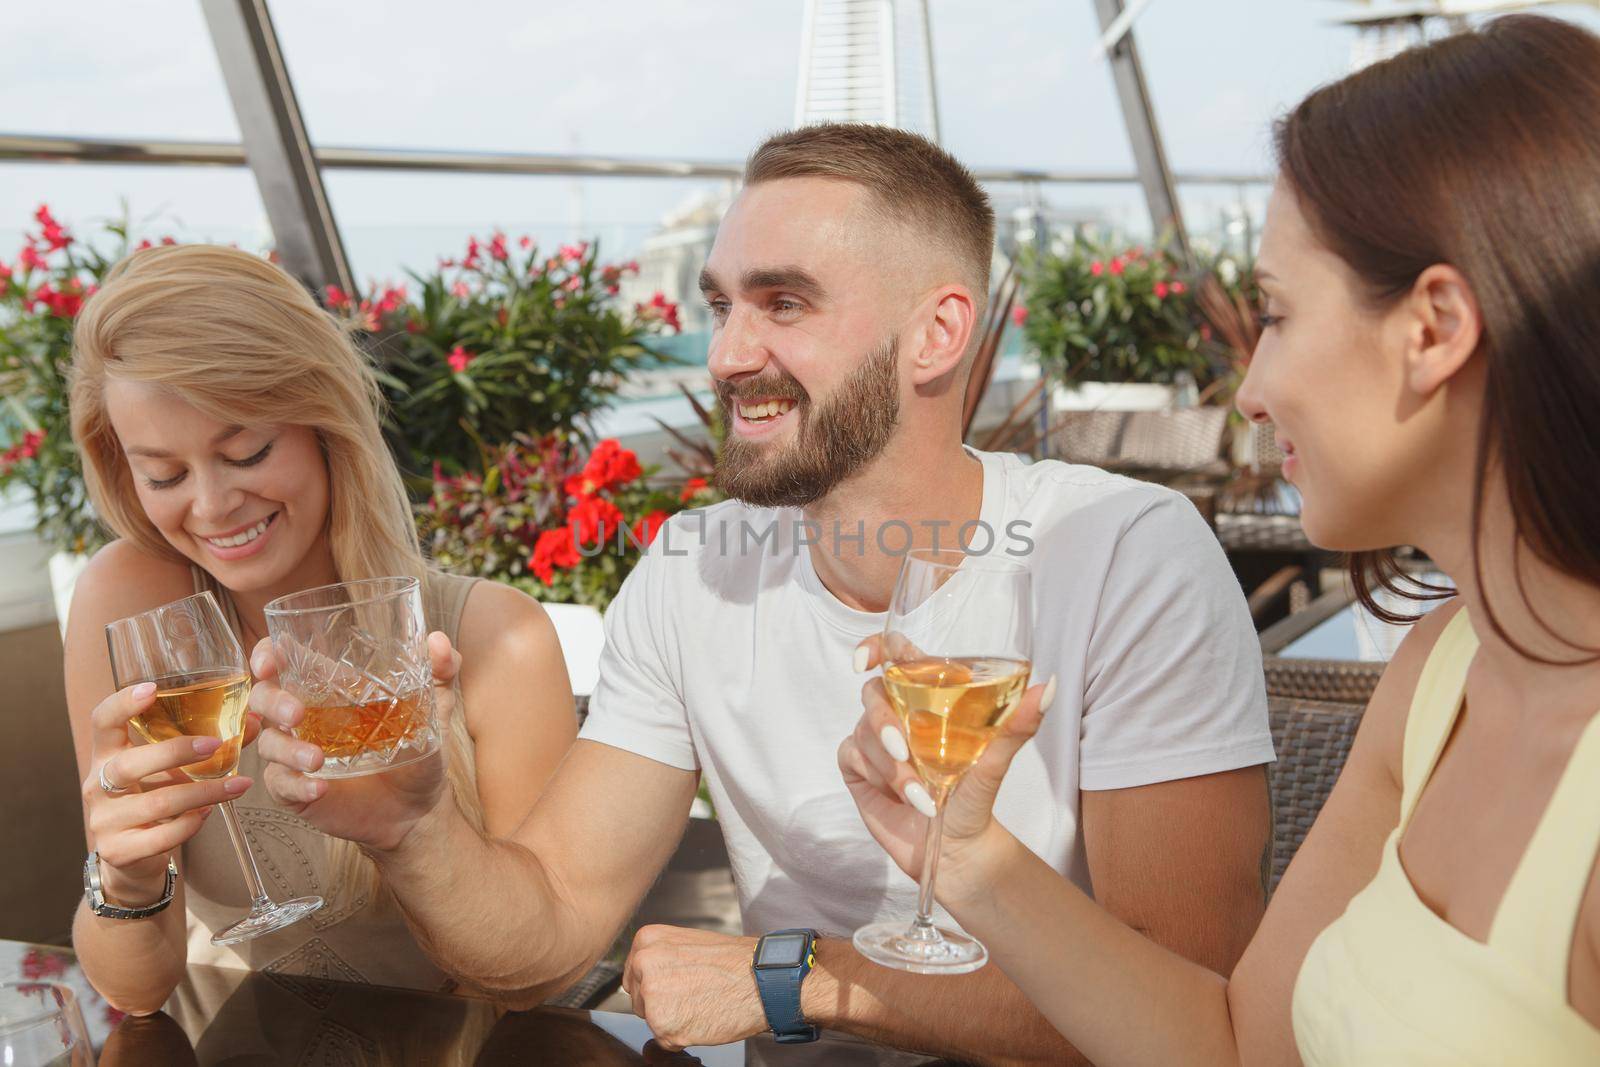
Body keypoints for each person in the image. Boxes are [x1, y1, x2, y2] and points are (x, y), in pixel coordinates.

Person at [248, 123, 1275, 1063]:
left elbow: (1189, 1011)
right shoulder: (696, 566)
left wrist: (798, 977)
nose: (728, 355)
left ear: (937, 333)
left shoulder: (1122, 554)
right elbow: (547, 935)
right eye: (720, 305)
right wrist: (411, 830)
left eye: (783, 302)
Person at [841, 14, 1600, 1065]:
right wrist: (963, 857)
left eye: (1276, 315)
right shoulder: (1441, 676)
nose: (1249, 391)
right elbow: (1236, 1044)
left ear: (1432, 328)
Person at [64, 245, 576, 1013]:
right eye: (164, 474)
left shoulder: (499, 638)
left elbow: (539, 981)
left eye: (246, 451)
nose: (210, 505)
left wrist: (414, 832)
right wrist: (127, 877)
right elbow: (134, 990)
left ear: (323, 424)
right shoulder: (129, 601)